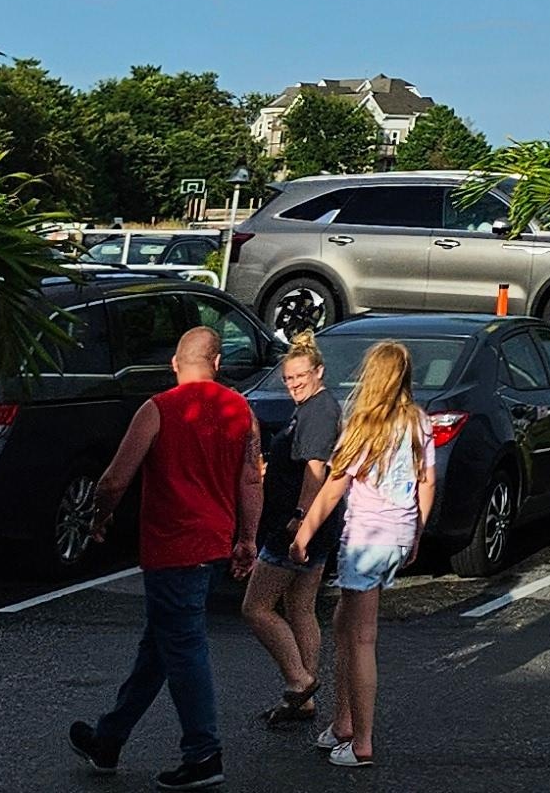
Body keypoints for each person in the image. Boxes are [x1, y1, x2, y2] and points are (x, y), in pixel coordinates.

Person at [68, 319, 262, 790]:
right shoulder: (242, 412)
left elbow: (115, 478)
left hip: (171, 545)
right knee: (159, 646)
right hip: (213, 542)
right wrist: (247, 539)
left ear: (175, 364)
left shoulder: (157, 409)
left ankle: (203, 753)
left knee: (183, 646)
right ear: (217, 364)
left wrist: (98, 518)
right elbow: (252, 479)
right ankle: (108, 739)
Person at [291, 338, 436, 771]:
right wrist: (416, 532)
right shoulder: (419, 423)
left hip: (366, 538)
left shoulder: (364, 425)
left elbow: (334, 486)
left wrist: (303, 533)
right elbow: (426, 482)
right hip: (396, 536)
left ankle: (361, 740)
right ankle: (342, 723)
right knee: (344, 624)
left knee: (361, 639)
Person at [242, 327, 339, 732]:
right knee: (300, 605)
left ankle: (298, 680)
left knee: (256, 607)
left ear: (319, 372)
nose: (294, 384)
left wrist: (299, 520)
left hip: (297, 525)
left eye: (301, 376)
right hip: (318, 526)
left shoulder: (318, 411)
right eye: (288, 378)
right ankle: (305, 698)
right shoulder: (316, 407)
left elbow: (317, 469)